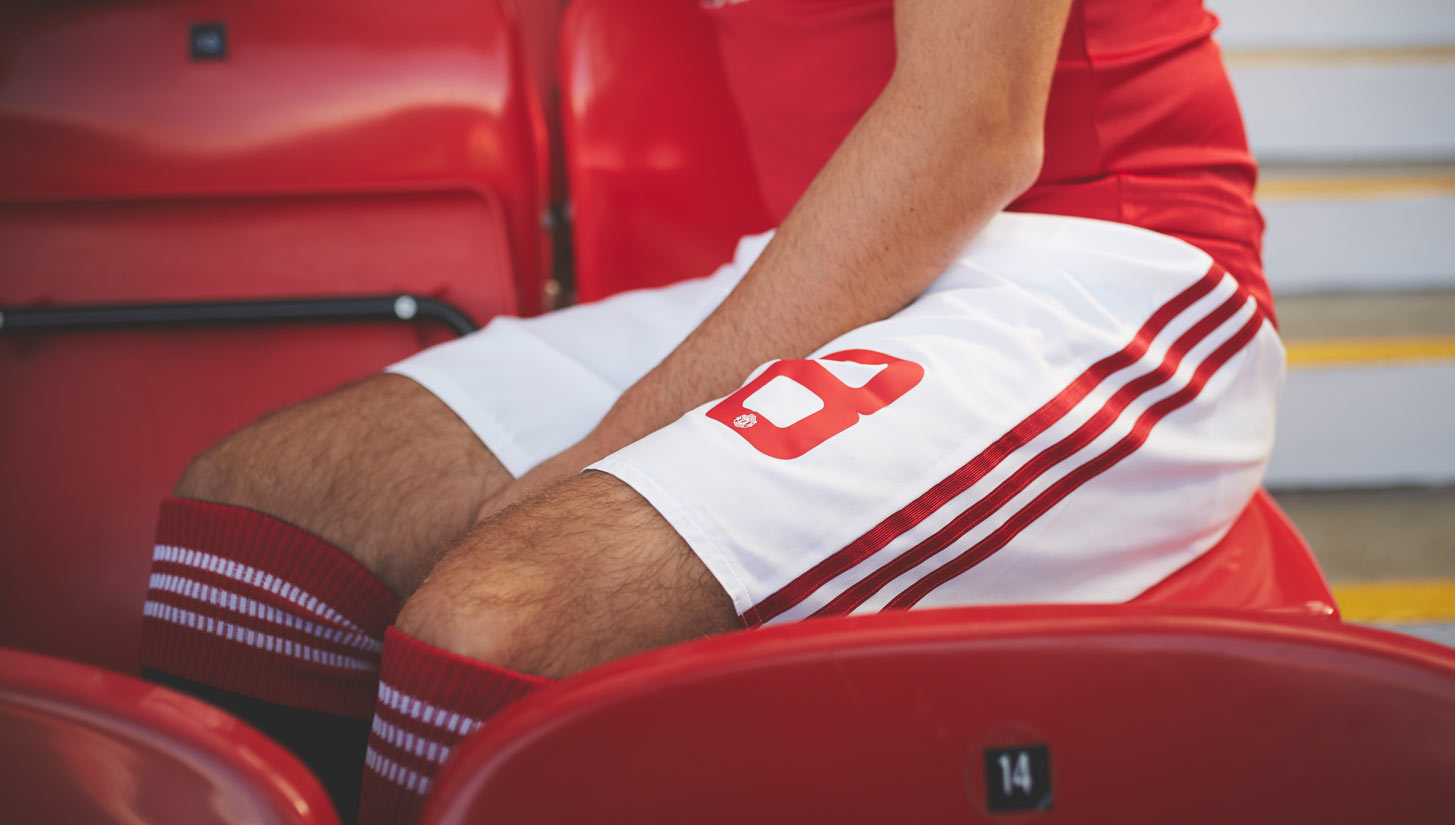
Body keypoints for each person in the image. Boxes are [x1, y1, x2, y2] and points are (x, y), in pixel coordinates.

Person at [139, 1, 1281, 823]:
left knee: (503, 621)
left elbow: (972, 129)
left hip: (1098, 270)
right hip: (831, 262)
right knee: (255, 520)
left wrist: (609, 448)